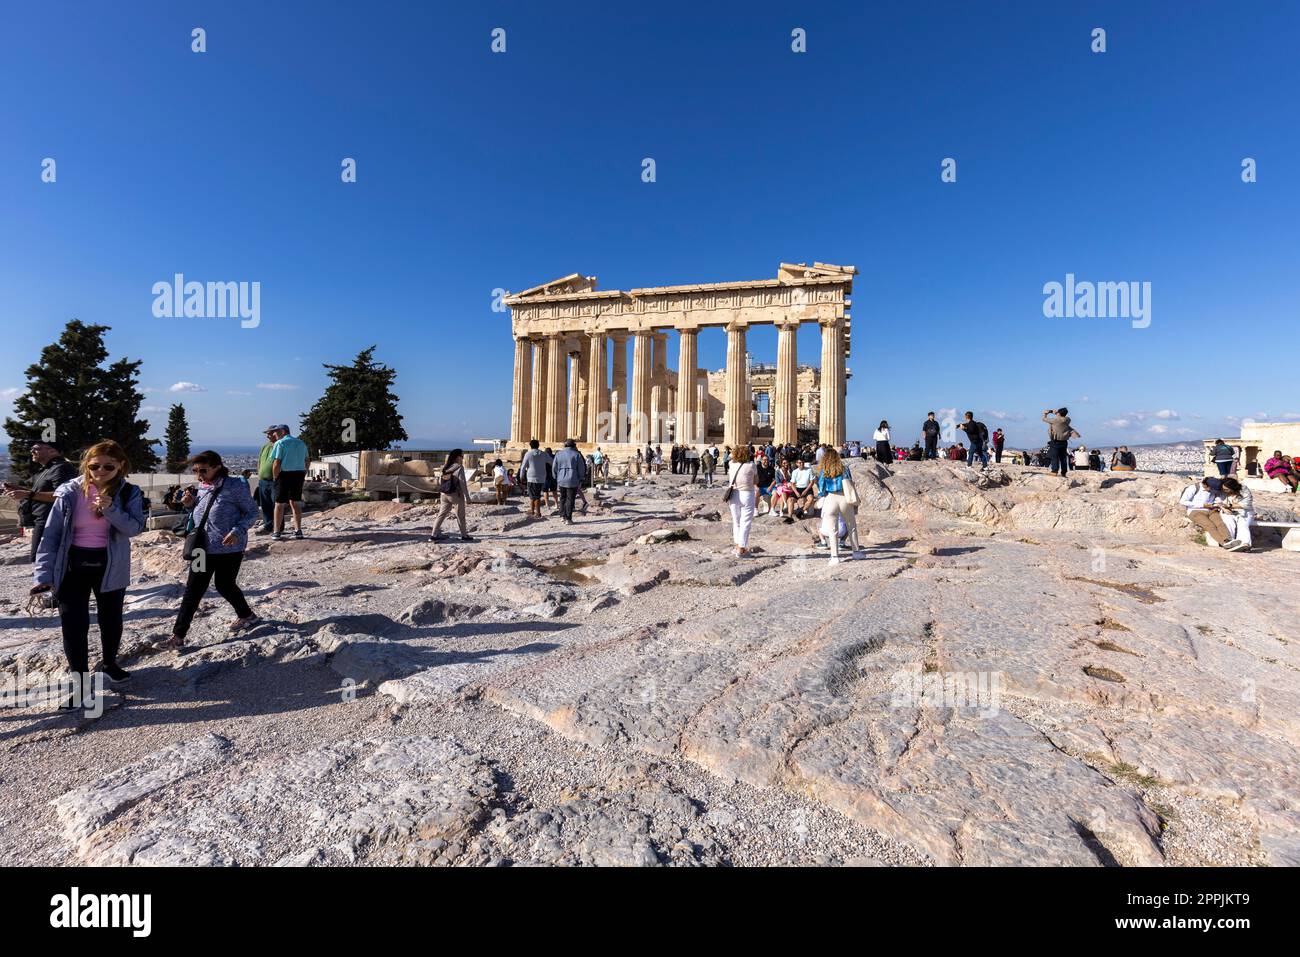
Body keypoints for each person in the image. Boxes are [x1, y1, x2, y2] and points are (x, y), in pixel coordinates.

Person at [30, 440, 145, 701]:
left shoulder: (129, 493)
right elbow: (51, 536)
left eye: (108, 466)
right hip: (72, 566)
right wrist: (43, 576)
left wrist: (110, 508)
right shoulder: (69, 493)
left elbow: (134, 529)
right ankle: (80, 683)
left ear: (120, 467)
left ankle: (109, 664)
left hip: (110, 563)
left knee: (111, 620)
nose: (101, 471)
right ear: (86, 465)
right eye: (94, 466)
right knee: (73, 626)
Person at [153, 451, 260, 651]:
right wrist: (190, 506)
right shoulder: (201, 487)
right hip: (202, 549)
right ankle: (178, 636)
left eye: (203, 470)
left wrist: (237, 530)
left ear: (217, 467)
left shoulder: (235, 486)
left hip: (230, 548)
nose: (199, 475)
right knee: (193, 589)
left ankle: (247, 615)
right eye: (195, 471)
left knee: (225, 585)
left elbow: (252, 512)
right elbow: (201, 513)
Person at [4, 439, 79, 563]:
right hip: (43, 521)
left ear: (52, 451)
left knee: (43, 560)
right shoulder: (48, 469)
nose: (32, 451)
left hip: (51, 522)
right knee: (39, 560)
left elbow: (62, 496)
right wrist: (20, 490)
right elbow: (42, 492)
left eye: (37, 448)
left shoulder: (61, 468)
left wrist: (28, 494)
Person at [815, 447, 863, 565]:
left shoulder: (823, 470)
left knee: (832, 530)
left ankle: (834, 556)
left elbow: (821, 488)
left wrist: (822, 496)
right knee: (851, 526)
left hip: (830, 498)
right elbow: (849, 482)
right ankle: (856, 552)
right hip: (843, 498)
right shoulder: (844, 468)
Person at [269, 424, 309, 541]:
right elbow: (307, 460)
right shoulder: (301, 443)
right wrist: (303, 473)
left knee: (279, 504)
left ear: (282, 431)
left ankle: (276, 532)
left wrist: (275, 477)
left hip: (284, 475)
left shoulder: (280, 443)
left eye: (275, 432)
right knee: (296, 503)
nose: (274, 435)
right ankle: (298, 530)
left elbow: (276, 463)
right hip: (298, 474)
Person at [432, 448, 475, 541]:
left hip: (444, 494)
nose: (463, 458)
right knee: (461, 516)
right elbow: (462, 482)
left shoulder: (445, 466)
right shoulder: (459, 467)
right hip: (455, 495)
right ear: (458, 457)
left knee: (441, 514)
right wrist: (467, 497)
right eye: (462, 456)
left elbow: (440, 480)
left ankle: (433, 535)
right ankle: (464, 535)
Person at [726, 445, 758, 557]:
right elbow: (756, 480)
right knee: (746, 522)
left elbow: (730, 457)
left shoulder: (731, 464)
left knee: (736, 521)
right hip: (747, 494)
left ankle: (737, 546)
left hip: (734, 494)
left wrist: (733, 453)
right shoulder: (752, 465)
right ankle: (741, 548)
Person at [552, 439, 587, 524]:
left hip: (561, 479)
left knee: (562, 497)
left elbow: (554, 468)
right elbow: (581, 469)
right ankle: (568, 518)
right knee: (570, 499)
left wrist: (556, 477)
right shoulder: (577, 455)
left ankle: (562, 516)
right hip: (572, 479)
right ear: (574, 445)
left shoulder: (558, 454)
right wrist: (581, 478)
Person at [1216, 478, 1255, 551]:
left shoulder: (1244, 490)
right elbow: (1218, 502)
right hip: (1228, 512)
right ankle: (1229, 541)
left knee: (1243, 524)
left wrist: (1230, 506)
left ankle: (1245, 544)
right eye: (1224, 489)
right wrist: (1224, 508)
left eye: (1227, 489)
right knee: (1228, 522)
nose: (1225, 491)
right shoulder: (1222, 492)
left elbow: (1247, 504)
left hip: (1244, 512)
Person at [253, 425, 279, 534]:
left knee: (276, 504)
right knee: (265, 505)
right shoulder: (265, 446)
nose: (267, 436)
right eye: (267, 434)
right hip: (263, 480)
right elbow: (259, 461)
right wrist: (259, 474)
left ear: (275, 433)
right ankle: (268, 526)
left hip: (275, 480)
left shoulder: (279, 445)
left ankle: (278, 527)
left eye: (269, 433)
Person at [1043, 408, 1078, 480]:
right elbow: (1062, 418)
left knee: (1054, 456)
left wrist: (1046, 414)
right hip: (1064, 441)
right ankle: (1064, 472)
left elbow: (1044, 419)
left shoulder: (1055, 420)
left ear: (1059, 413)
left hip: (1056, 441)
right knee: (1063, 457)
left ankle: (1054, 471)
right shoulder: (1068, 419)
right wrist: (1056, 413)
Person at [520, 439, 548, 518]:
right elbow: (552, 462)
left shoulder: (528, 454)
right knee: (534, 495)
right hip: (542, 477)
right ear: (538, 445)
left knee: (535, 496)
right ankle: (532, 511)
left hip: (531, 477)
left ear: (530, 445)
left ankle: (538, 513)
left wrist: (521, 476)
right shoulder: (543, 454)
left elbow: (523, 466)